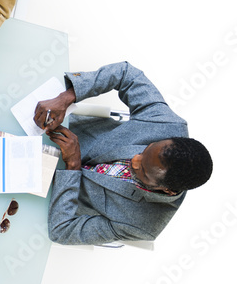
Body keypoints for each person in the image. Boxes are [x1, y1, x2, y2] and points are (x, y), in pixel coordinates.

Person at [33, 62, 213, 245]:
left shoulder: (143, 225)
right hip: (49, 130)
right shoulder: (167, 125)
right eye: (144, 151)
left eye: (143, 169)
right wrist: (67, 97)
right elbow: (126, 74)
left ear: (166, 190)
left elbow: (62, 231)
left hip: (42, 190)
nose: (135, 160)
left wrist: (73, 166)